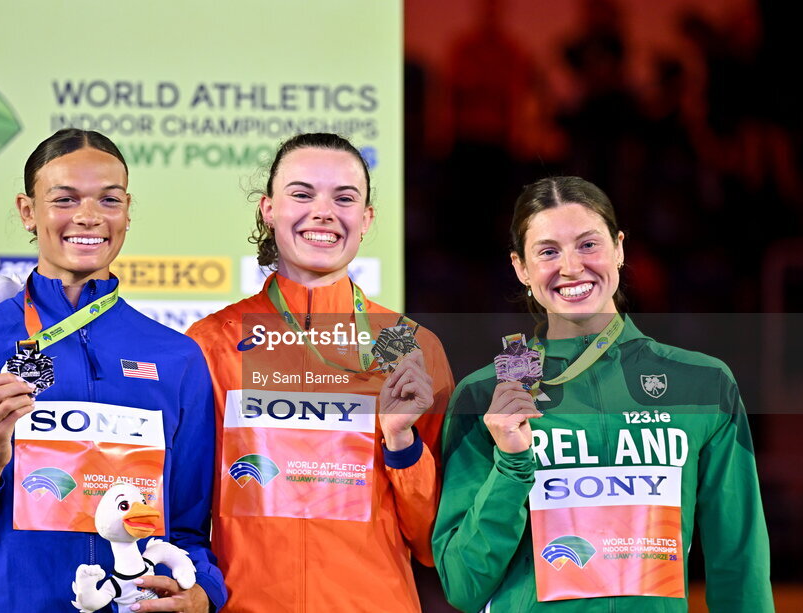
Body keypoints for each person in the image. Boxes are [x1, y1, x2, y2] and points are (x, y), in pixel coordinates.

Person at [0, 129, 226, 612]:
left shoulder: (176, 357)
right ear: (28, 211)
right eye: (65, 199)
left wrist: (205, 595)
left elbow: (188, 535)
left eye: (108, 200)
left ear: (128, 210)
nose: (89, 216)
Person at [433, 176, 774, 612]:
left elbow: (739, 562)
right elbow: (464, 586)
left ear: (619, 247)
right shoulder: (485, 398)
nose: (572, 267)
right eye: (548, 251)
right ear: (520, 267)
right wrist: (512, 465)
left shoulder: (704, 385)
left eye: (588, 244)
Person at [186, 132, 455, 611]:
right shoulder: (211, 342)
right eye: (302, 193)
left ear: (367, 218)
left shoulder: (412, 347)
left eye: (344, 198)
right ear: (269, 209)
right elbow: (183, 512)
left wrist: (402, 444)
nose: (324, 212)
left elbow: (433, 542)